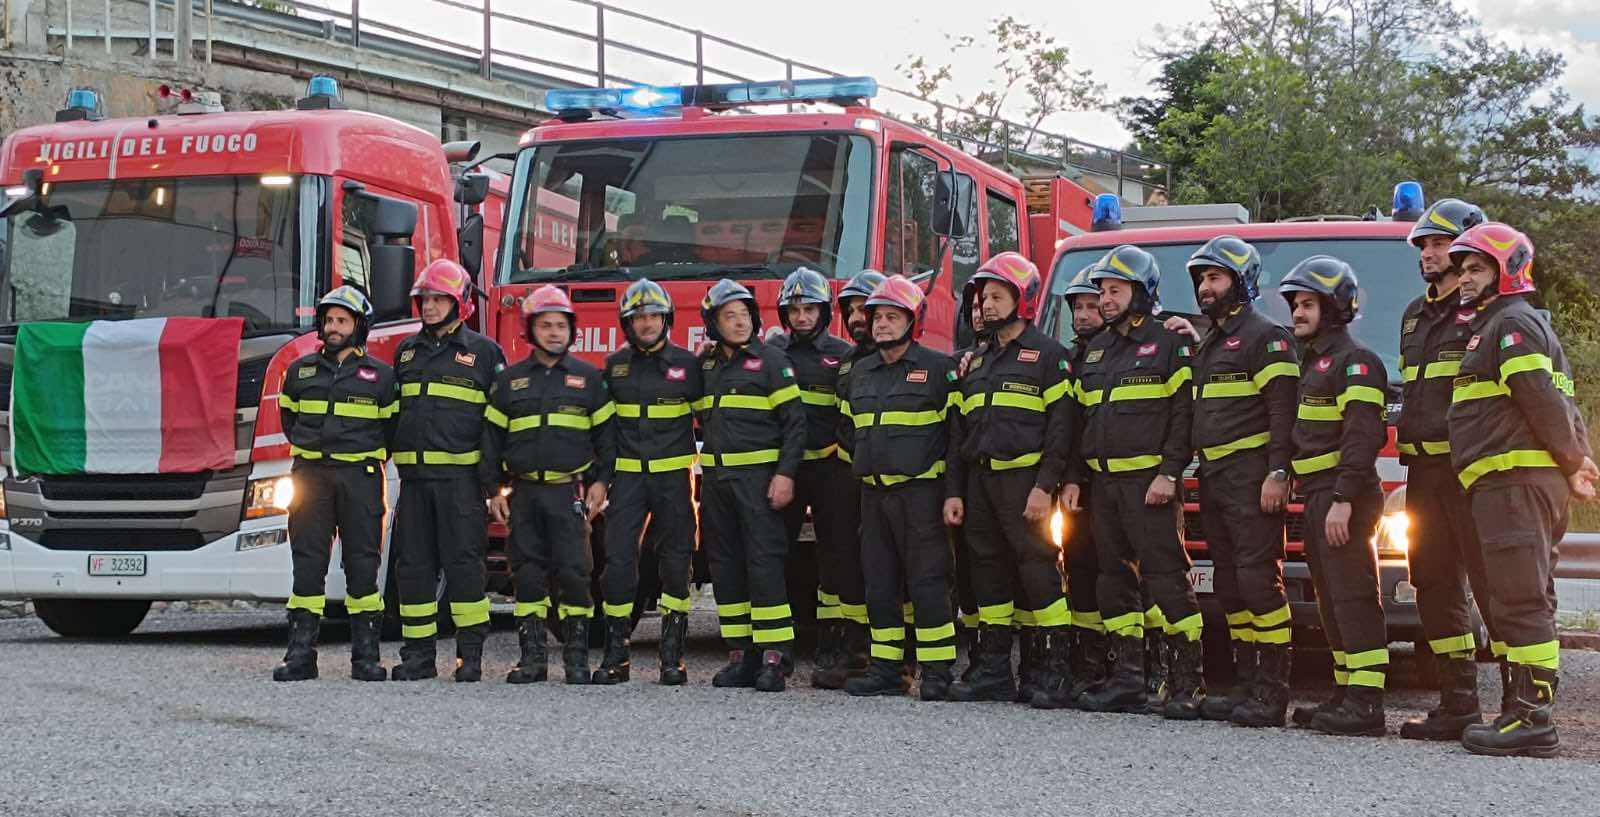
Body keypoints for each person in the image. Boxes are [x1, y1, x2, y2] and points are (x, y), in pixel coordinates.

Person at [1447, 222, 1597, 757]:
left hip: (1514, 483)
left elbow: (1539, 399)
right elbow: (1559, 402)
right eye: (1462, 269)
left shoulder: (1511, 325)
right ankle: (1519, 706)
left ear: (1508, 270)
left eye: (1476, 268)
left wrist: (1575, 459)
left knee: (1520, 598)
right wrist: (1574, 458)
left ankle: (1532, 718)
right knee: (1516, 597)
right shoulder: (1507, 325)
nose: (1463, 278)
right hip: (1507, 483)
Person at [1068, 245, 1204, 718]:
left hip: (1150, 484)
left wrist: (1170, 472)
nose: (1104, 300)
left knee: (1167, 581)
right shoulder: (1098, 348)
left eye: (1114, 291)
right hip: (1105, 487)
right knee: (1114, 582)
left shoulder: (1170, 343)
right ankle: (1127, 677)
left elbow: (1184, 415)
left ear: (1142, 292)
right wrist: (1076, 480)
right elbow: (1083, 421)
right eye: (1101, 291)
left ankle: (1188, 682)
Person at [1170, 236, 1299, 726]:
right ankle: (1246, 684)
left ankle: (1272, 692)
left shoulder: (1268, 338)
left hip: (1252, 475)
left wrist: (1278, 471)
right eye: (1202, 278)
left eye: (1215, 277)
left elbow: (1284, 411)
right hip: (1215, 474)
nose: (1205, 286)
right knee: (1228, 583)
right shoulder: (1212, 342)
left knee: (1258, 582)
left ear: (1242, 280)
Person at [944, 253, 1073, 705]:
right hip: (981, 483)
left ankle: (1056, 670)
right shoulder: (974, 364)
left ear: (1024, 300)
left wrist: (1044, 487)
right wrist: (956, 493)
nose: (986, 306)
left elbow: (1062, 431)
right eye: (982, 298)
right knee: (987, 575)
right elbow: (960, 434)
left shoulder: (1050, 357)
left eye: (997, 297)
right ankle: (994, 670)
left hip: (1025, 484)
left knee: (1038, 572)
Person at [1395, 199, 1500, 741]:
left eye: (1440, 243)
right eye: (1426, 245)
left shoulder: (1488, 310)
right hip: (1423, 472)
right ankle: (1458, 703)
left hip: (1472, 471)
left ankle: (1517, 707)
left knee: (1491, 584)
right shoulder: (1415, 314)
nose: (1431, 253)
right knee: (1433, 583)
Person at [1281, 255, 1390, 736]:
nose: (1298, 313)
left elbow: (1362, 436)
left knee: (1352, 595)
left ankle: (1366, 704)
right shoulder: (1313, 361)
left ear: (1335, 306)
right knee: (1330, 597)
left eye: (1308, 304)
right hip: (1319, 494)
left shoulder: (1357, 362)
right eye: (1295, 304)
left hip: (1342, 495)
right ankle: (1345, 692)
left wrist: (1344, 497)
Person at [839, 275, 960, 699]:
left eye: (892, 317)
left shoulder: (940, 370)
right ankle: (887, 669)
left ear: (913, 321)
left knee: (928, 583)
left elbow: (956, 437)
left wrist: (952, 493)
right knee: (880, 583)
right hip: (874, 496)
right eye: (877, 318)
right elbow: (845, 428)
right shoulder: (860, 373)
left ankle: (938, 672)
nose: (882, 325)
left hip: (921, 495)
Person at [488, 285, 615, 685]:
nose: (554, 332)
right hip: (523, 494)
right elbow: (490, 442)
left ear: (571, 331)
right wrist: (493, 490)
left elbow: (607, 440)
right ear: (531, 330)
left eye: (561, 325)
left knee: (576, 573)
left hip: (568, 494)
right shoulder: (509, 382)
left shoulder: (589, 379)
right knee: (526, 573)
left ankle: (576, 660)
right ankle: (533, 661)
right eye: (546, 325)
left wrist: (601, 484)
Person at [388, 259, 506, 683]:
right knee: (413, 569)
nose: (430, 307)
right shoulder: (406, 352)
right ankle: (418, 657)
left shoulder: (485, 353)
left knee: (465, 567)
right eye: (425, 299)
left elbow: (497, 425)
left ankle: (469, 656)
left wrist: (494, 485)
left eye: (440, 299)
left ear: (461, 304)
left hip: (461, 485)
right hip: (415, 485)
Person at [273, 285, 397, 683]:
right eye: (328, 320)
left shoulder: (381, 377)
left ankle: (365, 657)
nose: (333, 327)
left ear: (359, 326)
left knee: (363, 563)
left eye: (342, 320)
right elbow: (289, 420)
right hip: (310, 476)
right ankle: (300, 655)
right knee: (307, 562)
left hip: (359, 477)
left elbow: (392, 428)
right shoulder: (300, 371)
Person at [695, 279, 807, 692]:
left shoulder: (772, 361)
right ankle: (741, 655)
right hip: (718, 485)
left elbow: (795, 423)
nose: (739, 323)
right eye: (729, 316)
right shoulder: (706, 366)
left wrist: (785, 474)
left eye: (744, 315)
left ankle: (775, 657)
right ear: (713, 323)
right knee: (725, 568)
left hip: (759, 484)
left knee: (764, 567)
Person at [597, 278, 702, 686]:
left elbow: (713, 417)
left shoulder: (689, 366)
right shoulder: (615, 366)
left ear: (667, 319)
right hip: (627, 480)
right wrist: (599, 479)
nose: (647, 323)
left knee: (676, 562)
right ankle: (616, 654)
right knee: (619, 560)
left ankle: (672, 654)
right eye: (638, 317)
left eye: (654, 316)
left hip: (673, 479)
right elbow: (603, 430)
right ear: (628, 323)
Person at [768, 268, 858, 688]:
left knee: (836, 558)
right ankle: (777, 644)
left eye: (810, 309)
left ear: (824, 311)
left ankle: (833, 643)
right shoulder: (773, 351)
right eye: (795, 310)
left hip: (830, 468)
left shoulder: (843, 353)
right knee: (777, 554)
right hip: (786, 469)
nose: (802, 317)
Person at [821, 269, 889, 685]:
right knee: (847, 564)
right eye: (852, 310)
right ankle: (855, 651)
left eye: (866, 309)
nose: (859, 317)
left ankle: (903, 656)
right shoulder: (846, 364)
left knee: (892, 568)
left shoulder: (901, 358)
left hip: (890, 482)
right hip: (847, 477)